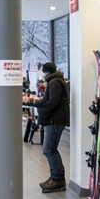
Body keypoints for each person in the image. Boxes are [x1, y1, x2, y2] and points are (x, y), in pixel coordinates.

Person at [35, 62, 70, 192]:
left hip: (55, 120)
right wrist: (35, 103)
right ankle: (55, 177)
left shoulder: (55, 82)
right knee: (50, 149)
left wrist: (41, 110)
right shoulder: (55, 81)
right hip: (54, 120)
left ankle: (58, 179)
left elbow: (51, 102)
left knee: (49, 149)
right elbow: (47, 100)